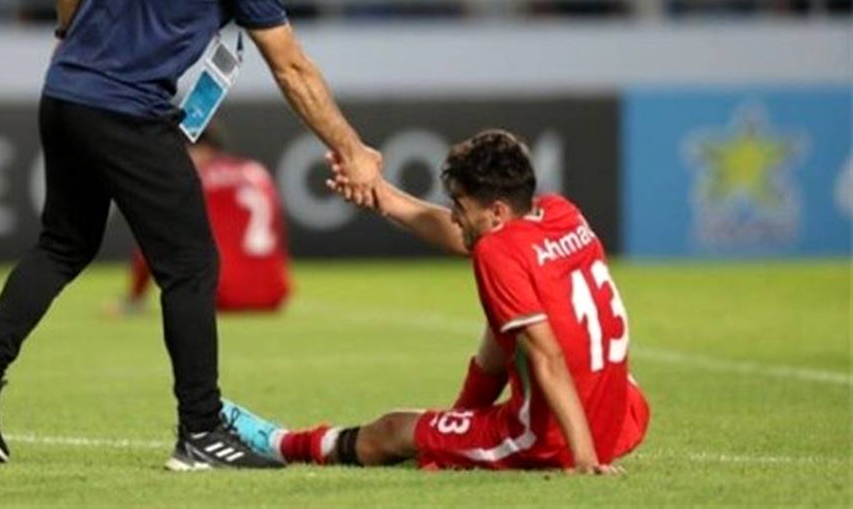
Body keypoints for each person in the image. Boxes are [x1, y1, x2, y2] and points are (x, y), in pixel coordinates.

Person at [0, 0, 383, 471]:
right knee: (191, 264)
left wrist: (68, 35)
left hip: (64, 96)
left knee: (62, 245)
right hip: (129, 113)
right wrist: (351, 148)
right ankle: (201, 430)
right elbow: (292, 70)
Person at [223, 129, 649, 474]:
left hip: (553, 438)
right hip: (618, 418)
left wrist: (584, 459)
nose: (455, 216)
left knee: (391, 430)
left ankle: (280, 443)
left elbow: (548, 357)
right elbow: (500, 341)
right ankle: (456, 435)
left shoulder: (497, 251)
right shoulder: (561, 214)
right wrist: (381, 195)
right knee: (506, 325)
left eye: (459, 206)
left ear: (497, 213)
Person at [115, 124, 291, 315]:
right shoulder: (256, 171)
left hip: (222, 295)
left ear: (202, 150)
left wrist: (135, 297)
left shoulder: (192, 179)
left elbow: (153, 244)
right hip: (274, 294)